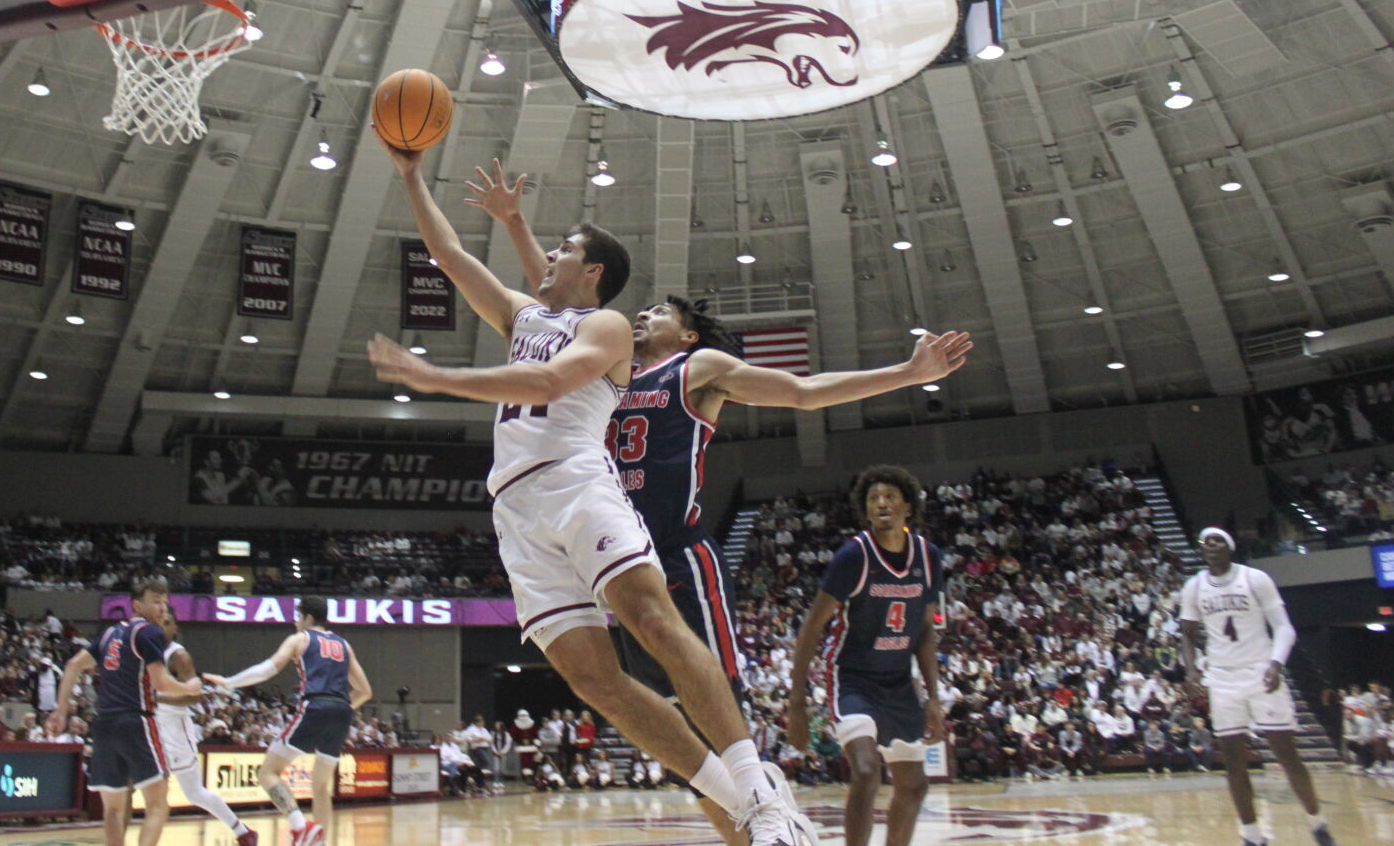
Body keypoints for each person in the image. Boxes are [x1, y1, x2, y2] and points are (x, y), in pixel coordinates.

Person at [470, 160, 967, 843]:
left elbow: (803, 390)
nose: (643, 314)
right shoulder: (601, 365)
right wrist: (516, 224)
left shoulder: (695, 369)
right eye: (640, 308)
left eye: (659, 312)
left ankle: (772, 810)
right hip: (604, 556)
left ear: (688, 334)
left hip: (675, 557)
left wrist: (906, 374)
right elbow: (552, 302)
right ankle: (752, 831)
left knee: (715, 717)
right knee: (681, 748)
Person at [368, 139, 816, 846]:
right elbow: (451, 256)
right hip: (514, 509)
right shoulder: (522, 318)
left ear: (593, 269)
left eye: (562, 248)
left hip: (576, 481)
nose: (546, 254)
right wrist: (411, 176)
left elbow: (547, 384)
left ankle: (759, 788)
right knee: (592, 681)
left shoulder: (606, 326)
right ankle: (743, 802)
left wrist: (440, 378)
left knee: (654, 621)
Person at [787, 467, 944, 846]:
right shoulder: (853, 557)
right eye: (873, 499)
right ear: (866, 510)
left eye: (890, 496)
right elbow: (811, 627)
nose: (881, 503)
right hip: (852, 676)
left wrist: (934, 698)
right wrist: (796, 705)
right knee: (866, 769)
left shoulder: (928, 557)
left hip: (898, 680)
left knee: (914, 785)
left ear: (908, 505)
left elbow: (924, 631)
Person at [1179, 529, 1336, 846]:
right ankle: (1251, 835)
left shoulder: (1255, 579)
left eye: (1217, 540)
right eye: (1204, 543)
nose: (1210, 545)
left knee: (1287, 757)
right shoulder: (1193, 587)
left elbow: (1283, 628)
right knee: (1234, 763)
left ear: (1230, 548)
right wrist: (1191, 668)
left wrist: (1276, 663)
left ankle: (1317, 823)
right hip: (1222, 678)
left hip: (1261, 672)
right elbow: (1186, 634)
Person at [46, 577, 205, 846]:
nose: (163, 608)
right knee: (157, 805)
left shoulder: (108, 634)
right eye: (156, 601)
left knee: (113, 809)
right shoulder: (149, 632)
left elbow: (73, 665)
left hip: (104, 726)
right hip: (136, 722)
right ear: (137, 605)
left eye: (165, 602)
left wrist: (60, 711)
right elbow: (161, 683)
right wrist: (190, 687)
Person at [204, 596, 372, 846]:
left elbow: (267, 669)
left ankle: (301, 826)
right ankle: (319, 843)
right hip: (342, 712)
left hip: (314, 705)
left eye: (298, 617)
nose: (295, 623)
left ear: (308, 618)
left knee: (267, 773)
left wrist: (230, 682)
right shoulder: (344, 645)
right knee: (321, 786)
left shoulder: (300, 639)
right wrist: (341, 708)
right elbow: (365, 691)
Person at [155, 613, 255, 843]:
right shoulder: (145, 651)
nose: (161, 626)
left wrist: (157, 700)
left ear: (175, 629)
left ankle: (242, 831)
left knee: (194, 792)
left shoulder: (178, 656)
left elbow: (195, 697)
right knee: (145, 785)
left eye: (167, 623)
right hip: (150, 725)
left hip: (175, 728)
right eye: (158, 621)